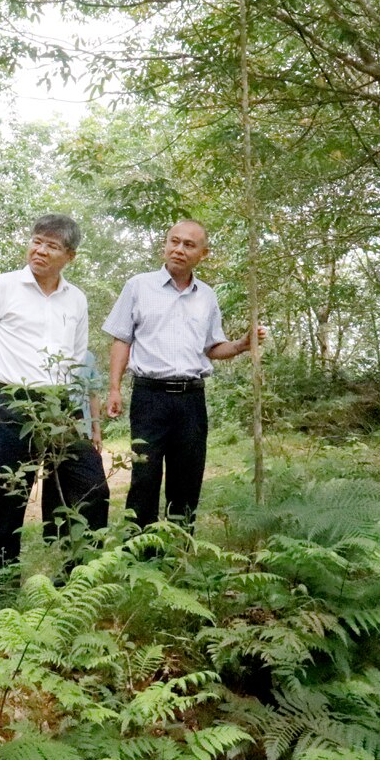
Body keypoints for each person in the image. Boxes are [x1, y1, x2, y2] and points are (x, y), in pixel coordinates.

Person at [0, 214, 109, 586]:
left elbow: (77, 359)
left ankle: (76, 578)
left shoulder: (75, 299)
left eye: (52, 245)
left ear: (70, 256)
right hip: (12, 403)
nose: (40, 250)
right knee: (6, 499)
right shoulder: (2, 287)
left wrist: (76, 410)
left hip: (61, 405)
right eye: (36, 241)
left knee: (91, 486)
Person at [103, 220, 266, 531]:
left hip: (192, 399)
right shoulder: (138, 286)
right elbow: (121, 339)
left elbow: (213, 347)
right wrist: (114, 388)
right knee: (145, 476)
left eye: (188, 245)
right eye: (174, 241)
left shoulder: (206, 296)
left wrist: (243, 345)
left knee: (188, 478)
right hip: (149, 397)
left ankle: (179, 548)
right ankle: (139, 552)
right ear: (165, 245)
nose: (178, 249)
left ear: (202, 254)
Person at [41, 349, 105, 546]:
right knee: (55, 481)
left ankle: (89, 536)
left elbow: (92, 395)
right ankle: (56, 535)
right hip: (53, 429)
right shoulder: (48, 353)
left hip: (81, 429)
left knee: (93, 485)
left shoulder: (88, 357)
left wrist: (96, 429)